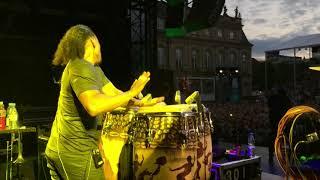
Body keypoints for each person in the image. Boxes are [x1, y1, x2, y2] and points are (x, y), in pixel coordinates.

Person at [45, 24, 162, 180]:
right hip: (74, 153)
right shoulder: (80, 66)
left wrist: (139, 103)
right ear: (92, 42)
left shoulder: (93, 70)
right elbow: (94, 106)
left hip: (66, 150)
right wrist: (131, 93)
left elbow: (114, 95)